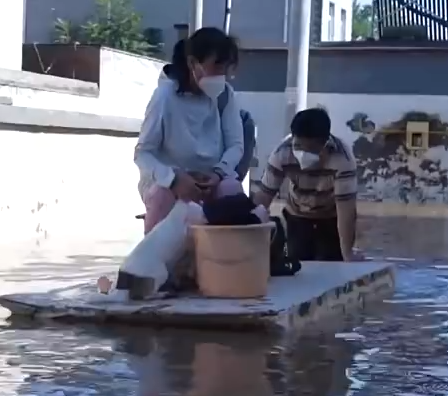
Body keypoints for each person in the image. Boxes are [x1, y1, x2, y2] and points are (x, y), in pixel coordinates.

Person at [134, 27, 246, 235]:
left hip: (211, 179)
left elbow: (236, 145)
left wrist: (218, 174)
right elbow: (143, 154)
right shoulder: (164, 97)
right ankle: (154, 260)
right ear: (193, 63)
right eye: (216, 66)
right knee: (161, 196)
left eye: (226, 67)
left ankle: (224, 260)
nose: (222, 75)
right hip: (168, 181)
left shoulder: (225, 96)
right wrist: (173, 179)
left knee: (232, 192)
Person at [251, 107, 359, 261]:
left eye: (310, 149)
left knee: (332, 263)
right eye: (298, 146)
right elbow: (264, 197)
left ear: (324, 143)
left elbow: (346, 211)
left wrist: (348, 254)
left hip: (331, 218)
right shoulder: (282, 153)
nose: (302, 153)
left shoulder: (342, 159)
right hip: (297, 215)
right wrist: (249, 232)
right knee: (298, 260)